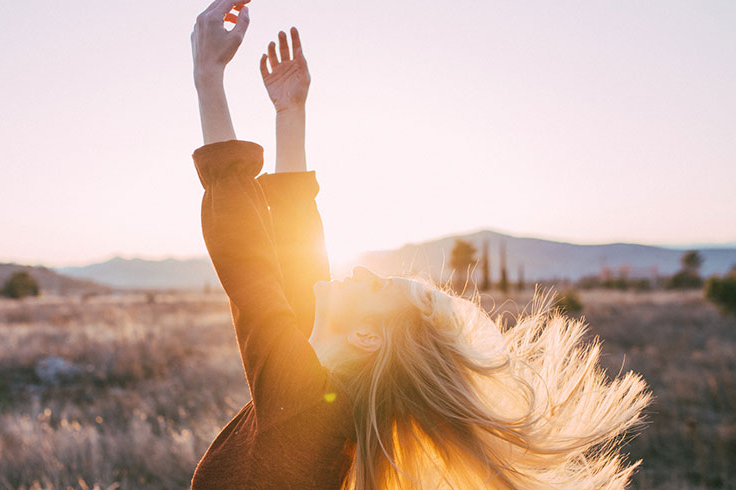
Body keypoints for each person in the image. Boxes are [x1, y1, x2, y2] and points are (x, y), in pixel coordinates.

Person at [189, 2, 651, 488]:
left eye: (376, 287)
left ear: (366, 338)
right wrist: (290, 113)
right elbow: (294, 257)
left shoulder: (308, 407)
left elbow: (248, 267)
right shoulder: (324, 395)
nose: (361, 273)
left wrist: (208, 75)